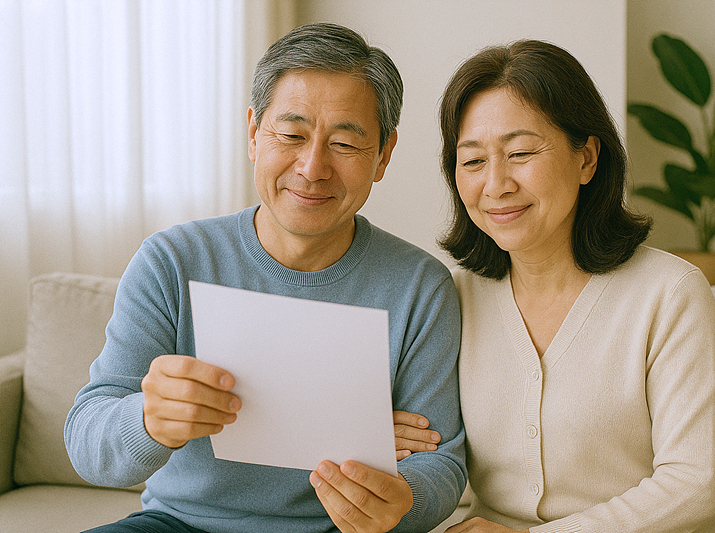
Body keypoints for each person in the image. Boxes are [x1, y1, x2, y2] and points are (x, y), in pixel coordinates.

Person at [65, 22, 466, 533]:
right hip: (178, 524)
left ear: (383, 154)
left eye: (344, 143)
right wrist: (148, 418)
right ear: (254, 133)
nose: (312, 166)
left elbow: (441, 461)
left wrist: (401, 500)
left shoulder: (420, 287)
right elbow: (86, 443)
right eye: (292, 135)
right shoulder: (171, 260)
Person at [395, 40, 715, 532]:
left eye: (521, 153)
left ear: (587, 159)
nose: (496, 184)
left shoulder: (671, 292)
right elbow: (427, 451)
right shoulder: (452, 298)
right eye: (472, 161)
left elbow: (697, 483)